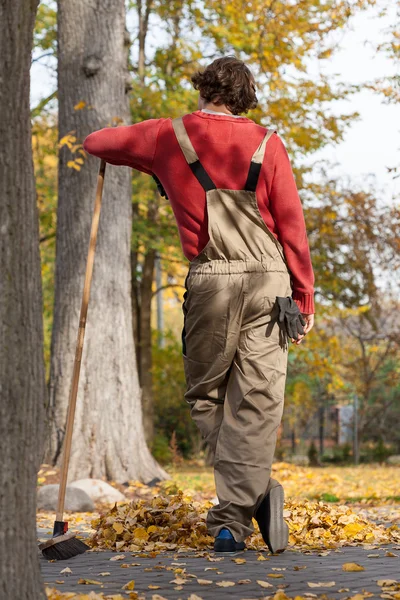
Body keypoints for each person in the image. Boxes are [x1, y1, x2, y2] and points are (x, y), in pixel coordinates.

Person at [83, 55, 315, 554]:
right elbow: (292, 225)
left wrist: (148, 159)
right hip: (271, 283)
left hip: (212, 280)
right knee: (256, 401)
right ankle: (244, 503)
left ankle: (239, 511)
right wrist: (304, 295)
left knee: (205, 394)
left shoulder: (170, 135)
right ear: (246, 97)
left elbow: (96, 143)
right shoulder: (269, 144)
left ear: (203, 90)